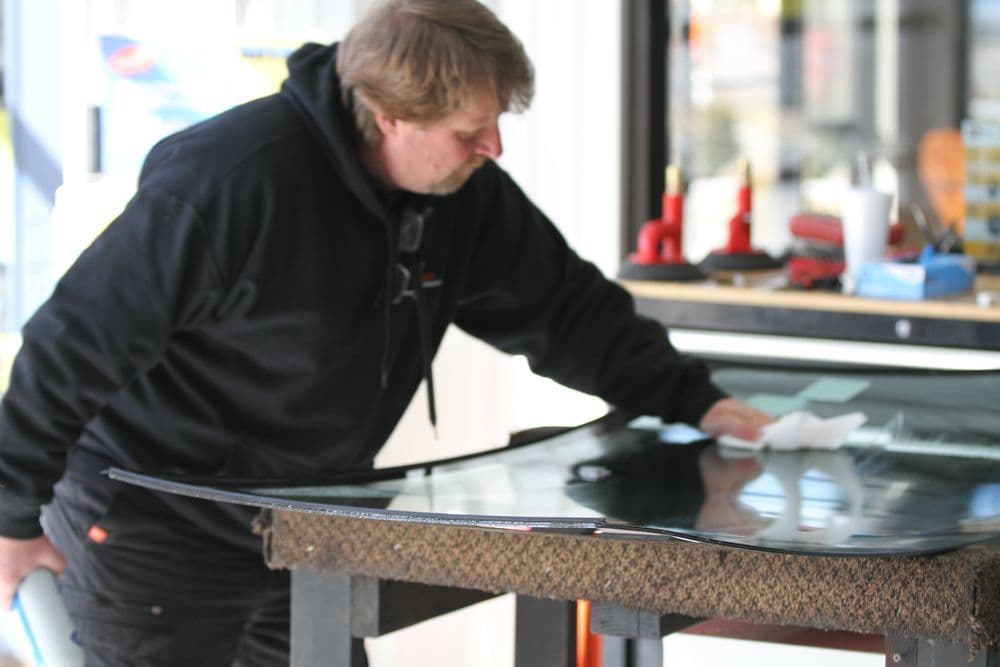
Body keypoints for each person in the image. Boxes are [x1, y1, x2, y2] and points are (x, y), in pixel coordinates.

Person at [0, 0, 770, 663]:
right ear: (389, 113)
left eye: (496, 122)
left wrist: (695, 400)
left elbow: (568, 310)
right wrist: (9, 516)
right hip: (152, 526)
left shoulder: (463, 198)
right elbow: (69, 349)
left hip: (304, 524)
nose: (492, 146)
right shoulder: (230, 184)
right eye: (472, 129)